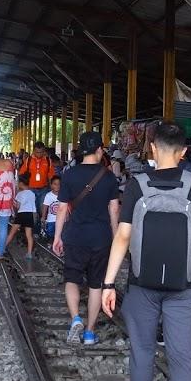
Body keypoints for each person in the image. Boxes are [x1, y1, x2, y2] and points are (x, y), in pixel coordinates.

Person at [101, 120, 191, 381]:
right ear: (183, 152)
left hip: (142, 284)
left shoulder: (137, 185)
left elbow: (123, 236)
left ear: (151, 148)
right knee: (181, 360)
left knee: (143, 352)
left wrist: (108, 282)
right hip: (185, 284)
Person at [53, 132, 120, 346]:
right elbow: (114, 209)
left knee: (72, 279)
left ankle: (75, 319)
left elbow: (62, 209)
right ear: (99, 150)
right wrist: (116, 236)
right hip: (100, 238)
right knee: (95, 284)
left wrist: (57, 236)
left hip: (75, 236)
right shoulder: (108, 176)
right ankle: (90, 333)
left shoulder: (69, 175)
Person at [20, 142, 54, 228]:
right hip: (31, 189)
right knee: (32, 210)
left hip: (44, 189)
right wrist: (22, 188)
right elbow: (21, 174)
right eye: (37, 152)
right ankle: (33, 229)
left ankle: (40, 229)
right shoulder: (29, 160)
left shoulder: (48, 161)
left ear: (44, 151)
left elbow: (51, 176)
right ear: (34, 151)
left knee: (42, 210)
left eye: (41, 152)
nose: (39, 154)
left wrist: (53, 189)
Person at [6, 174, 36, 259]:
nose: (17, 184)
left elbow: (18, 206)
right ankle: (29, 253)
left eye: (18, 182)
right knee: (29, 235)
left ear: (21, 183)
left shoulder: (20, 194)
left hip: (21, 214)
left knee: (12, 233)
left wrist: (13, 202)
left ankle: (2, 248)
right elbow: (33, 206)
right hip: (30, 215)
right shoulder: (32, 193)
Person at [41, 176, 61, 241]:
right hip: (51, 219)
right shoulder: (48, 195)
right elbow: (45, 207)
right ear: (51, 185)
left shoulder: (63, 195)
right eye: (55, 184)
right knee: (50, 232)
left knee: (60, 233)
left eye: (59, 184)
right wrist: (43, 217)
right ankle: (51, 242)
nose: (57, 186)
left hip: (61, 219)